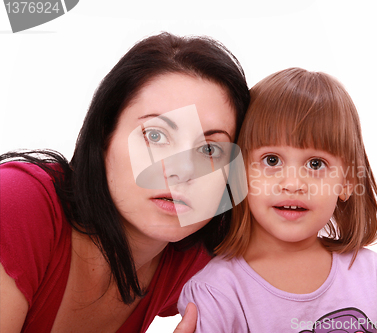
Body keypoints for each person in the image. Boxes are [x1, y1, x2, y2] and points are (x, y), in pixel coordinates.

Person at [0, 32, 250, 333]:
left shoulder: (197, 258)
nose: (182, 171)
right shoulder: (17, 204)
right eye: (155, 136)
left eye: (209, 150)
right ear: (105, 136)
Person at [178, 68, 377, 332]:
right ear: (238, 172)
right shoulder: (217, 294)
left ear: (347, 181)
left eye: (316, 164)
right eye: (272, 160)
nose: (292, 184)